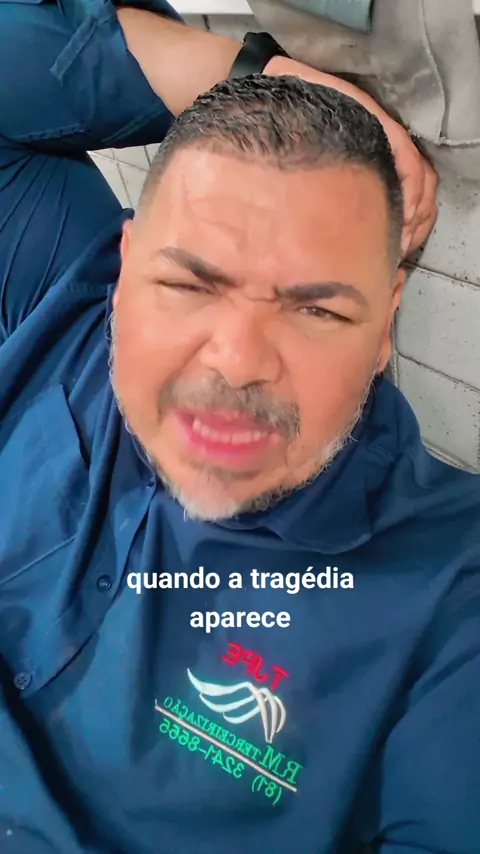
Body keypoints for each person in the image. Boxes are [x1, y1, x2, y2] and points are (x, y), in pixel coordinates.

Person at [0, 1, 477, 853]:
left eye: (317, 309)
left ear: (385, 324)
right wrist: (255, 74)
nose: (237, 362)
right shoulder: (64, 303)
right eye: (189, 285)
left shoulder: (450, 599)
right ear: (125, 266)